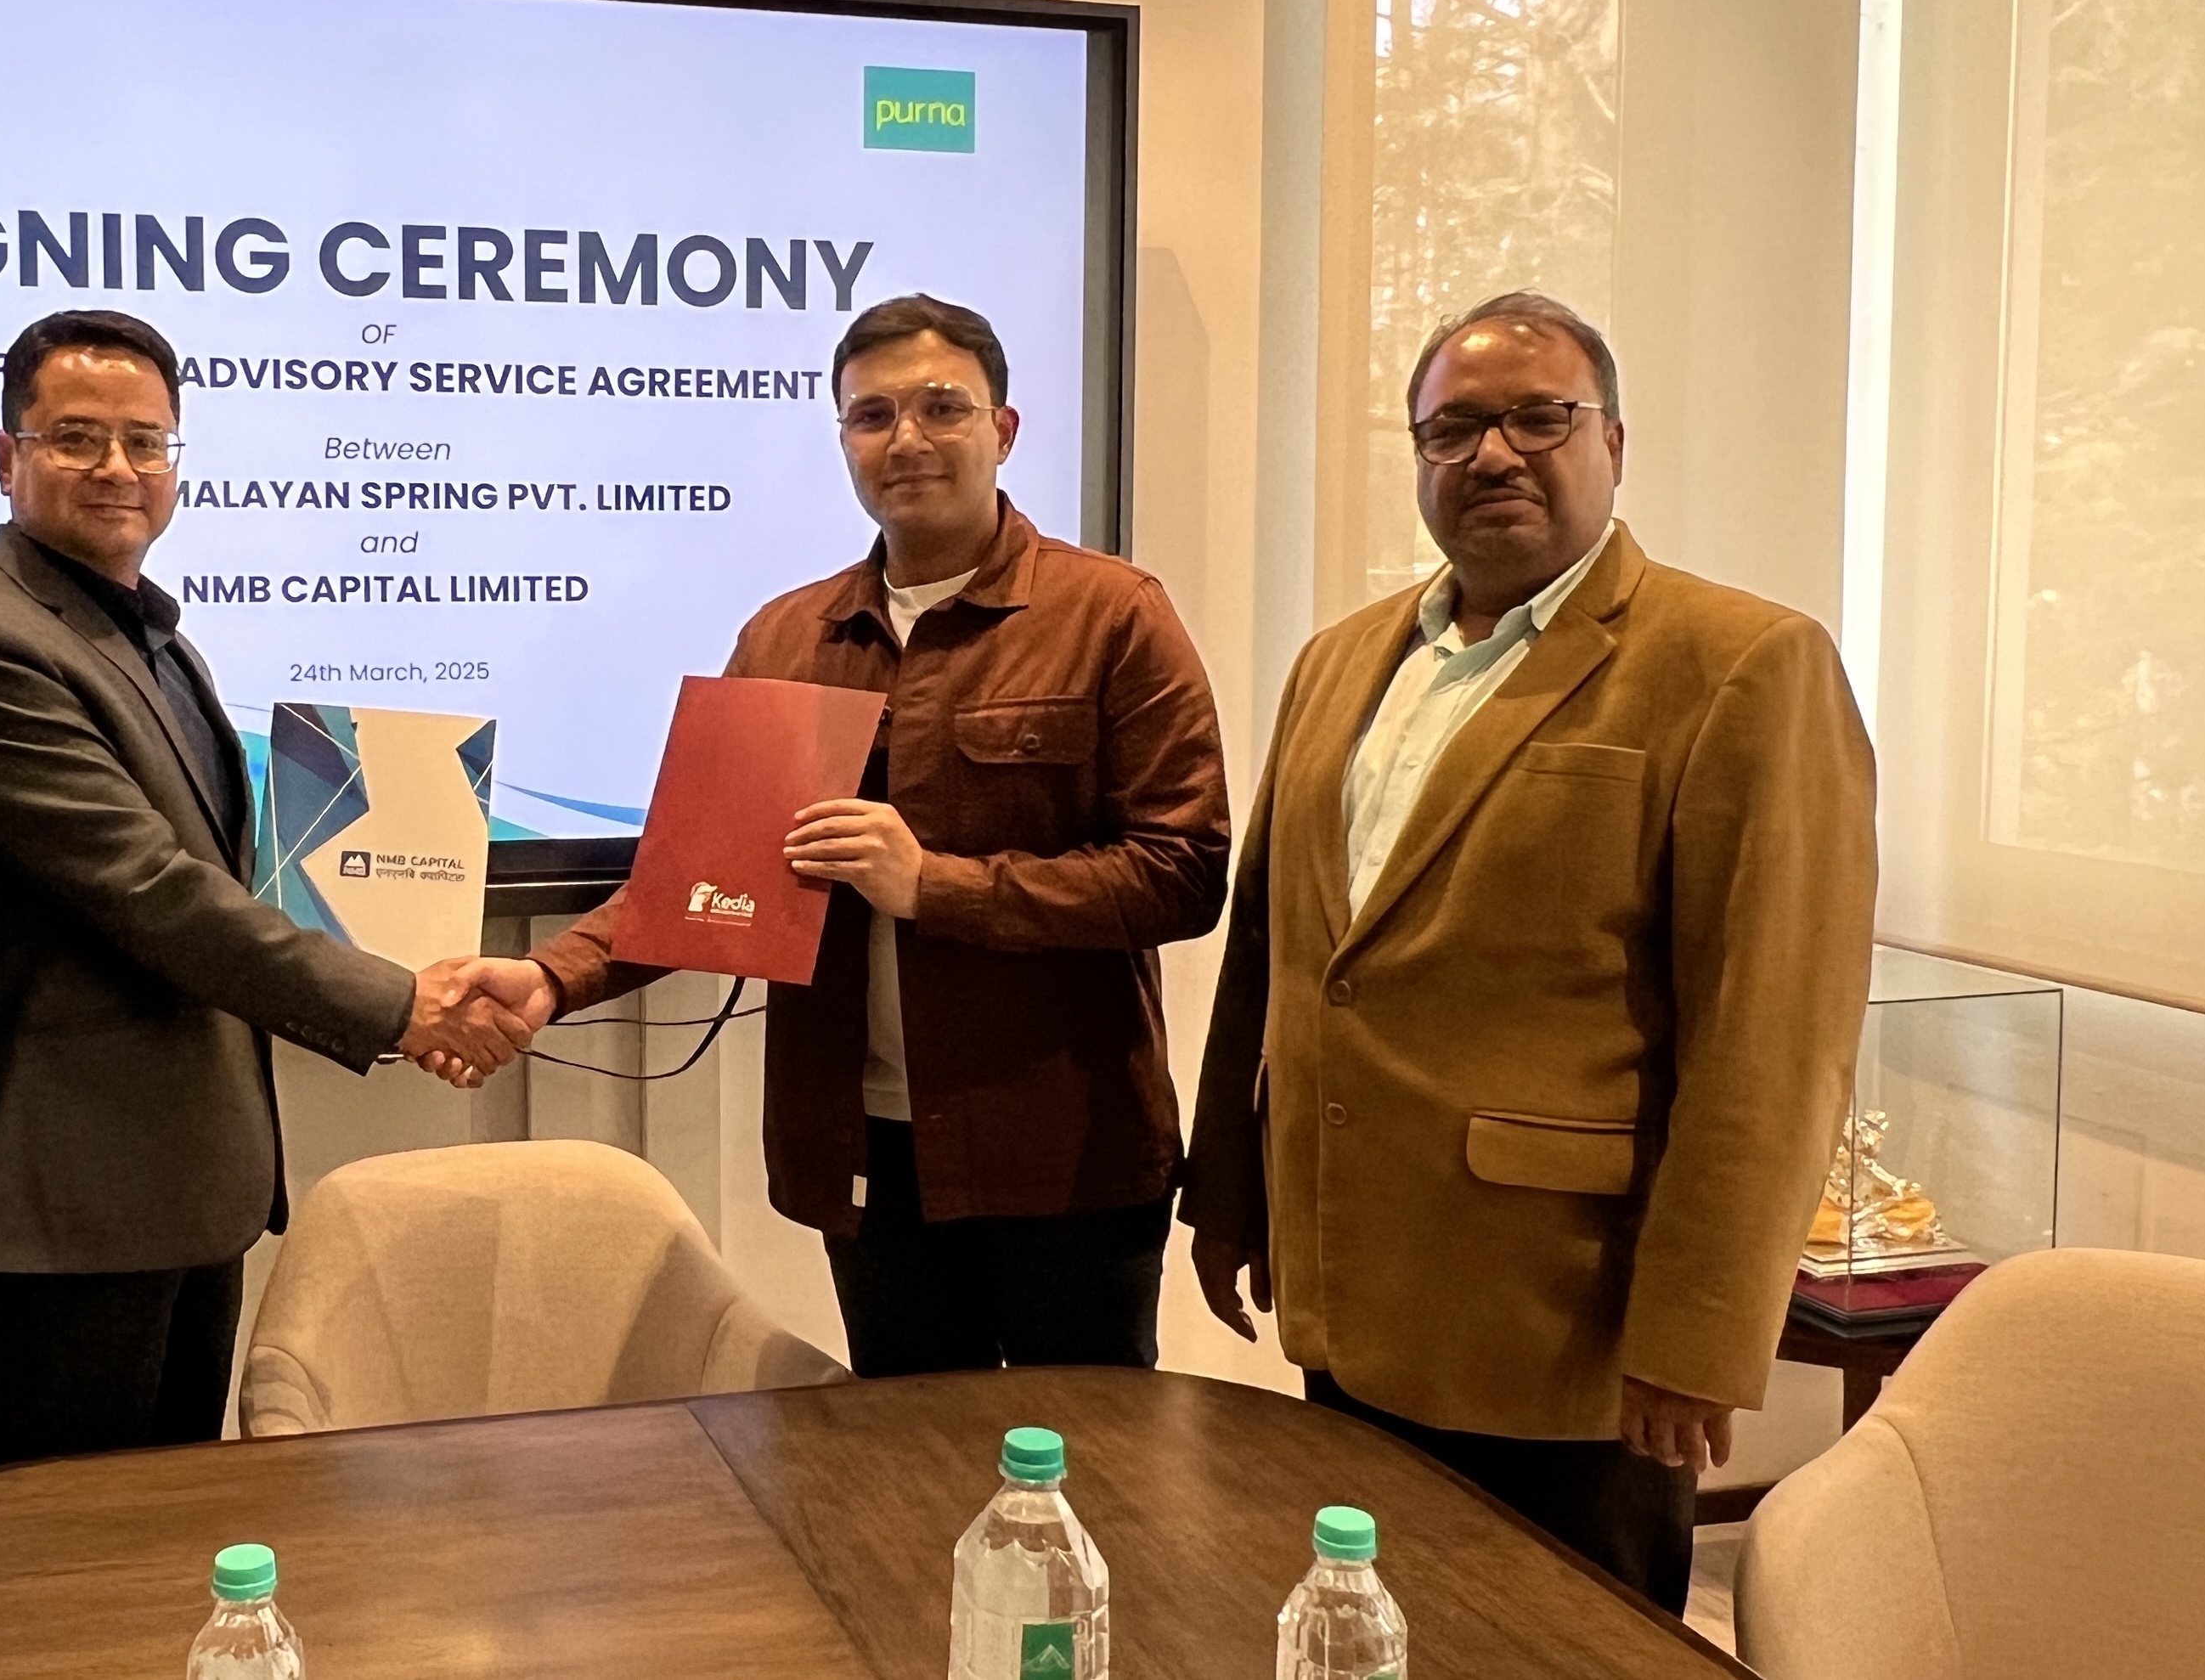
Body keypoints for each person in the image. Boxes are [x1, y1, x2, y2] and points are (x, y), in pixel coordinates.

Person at [1181, 291, 1876, 1609]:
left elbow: (1773, 1041)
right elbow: (1277, 952)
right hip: (1352, 1299)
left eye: (1538, 419)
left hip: (1567, 1333)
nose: (1493, 454)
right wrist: (1231, 1192)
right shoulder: (1340, 661)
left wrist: (1702, 1335)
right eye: (1452, 429)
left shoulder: (1741, 663)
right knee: (1366, 1633)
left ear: (1613, 440)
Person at [472, 292, 1231, 1376]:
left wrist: (934, 886)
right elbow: (700, 882)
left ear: (1004, 429)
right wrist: (550, 978)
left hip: (1064, 1152)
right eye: (872, 416)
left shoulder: (1113, 616)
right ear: (844, 441)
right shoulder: (786, 637)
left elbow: (1184, 873)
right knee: (902, 1456)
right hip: (867, 1154)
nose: (906, 439)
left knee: (1086, 1455)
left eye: (942, 408)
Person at [0, 307, 534, 1471]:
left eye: (147, 441)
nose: (118, 468)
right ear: (6, 456)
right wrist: (401, 1004)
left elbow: (229, 880)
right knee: (57, 1563)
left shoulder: (157, 643)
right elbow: (153, 892)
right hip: (60, 1213)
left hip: (184, 1195)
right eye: (77, 438)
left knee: (170, 1542)